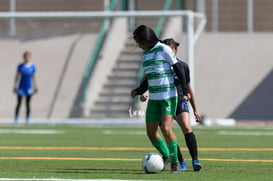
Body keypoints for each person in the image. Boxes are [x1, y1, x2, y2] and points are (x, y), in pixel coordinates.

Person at [131, 25, 190, 174]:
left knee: (166, 129)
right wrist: (139, 90)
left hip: (168, 97)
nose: (138, 46)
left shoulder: (164, 49)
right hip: (154, 99)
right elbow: (149, 78)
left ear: (145, 39)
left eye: (139, 42)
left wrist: (185, 90)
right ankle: (167, 155)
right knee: (151, 133)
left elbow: (178, 69)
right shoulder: (145, 55)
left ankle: (175, 162)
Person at [139, 38, 202, 171]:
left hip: (178, 99)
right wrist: (143, 92)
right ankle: (179, 160)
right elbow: (150, 79)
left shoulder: (182, 66)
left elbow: (189, 87)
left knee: (186, 126)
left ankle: (195, 159)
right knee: (167, 131)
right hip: (162, 100)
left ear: (175, 50)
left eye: (171, 49)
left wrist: (195, 109)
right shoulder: (159, 63)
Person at [13, 51, 38, 125]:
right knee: (19, 103)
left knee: (28, 103)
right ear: (23, 57)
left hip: (29, 87)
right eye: (25, 56)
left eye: (28, 56)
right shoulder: (20, 66)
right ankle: (16, 119)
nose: (27, 58)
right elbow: (17, 76)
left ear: (30, 57)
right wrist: (15, 86)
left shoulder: (32, 66)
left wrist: (35, 86)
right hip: (21, 87)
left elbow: (34, 77)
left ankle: (27, 119)